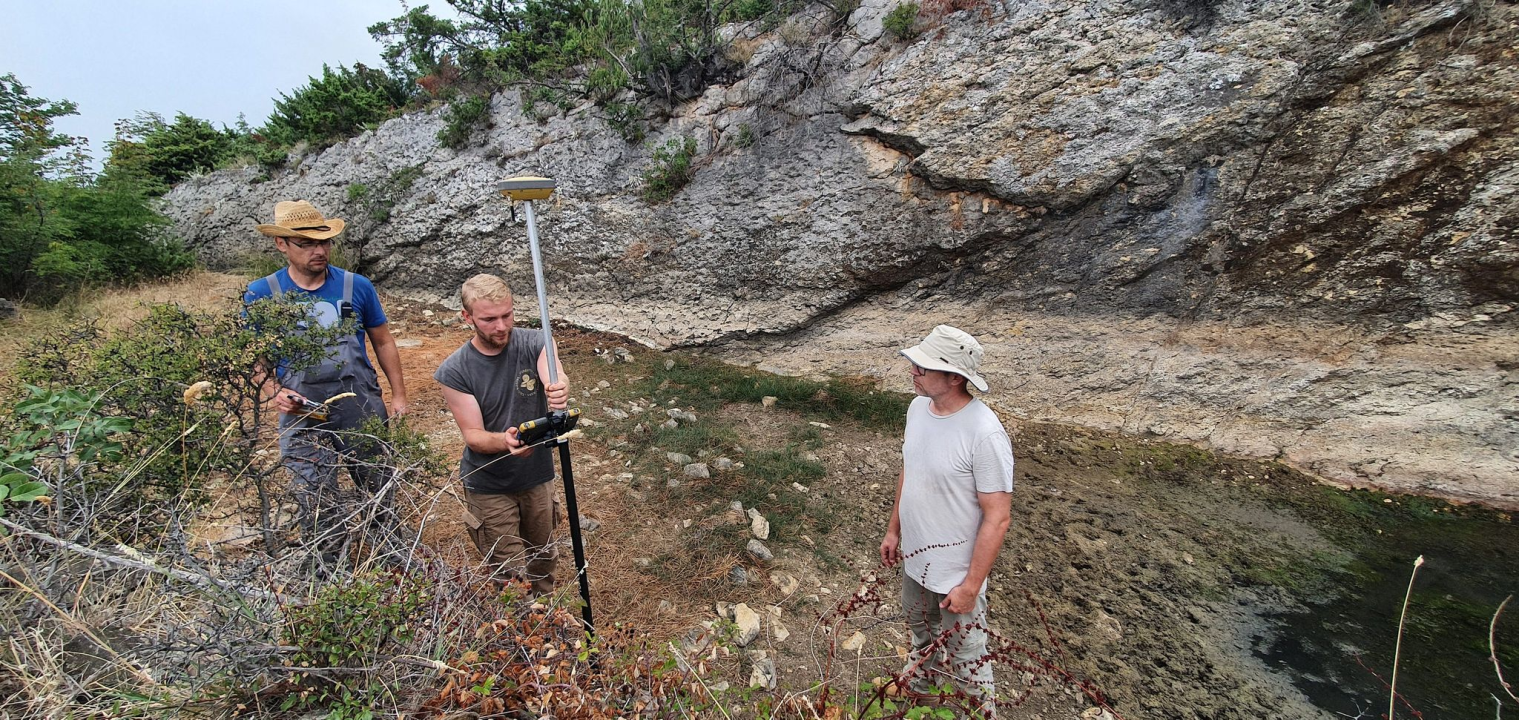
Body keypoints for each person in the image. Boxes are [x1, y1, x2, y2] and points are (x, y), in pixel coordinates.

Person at [245, 200, 409, 547]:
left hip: (359, 403)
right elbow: (253, 359)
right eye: (306, 244)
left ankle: (390, 557)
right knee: (315, 495)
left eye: (324, 242)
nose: (318, 251)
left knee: (377, 485)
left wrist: (399, 395)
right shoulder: (262, 294)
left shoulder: (356, 286)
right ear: (281, 244)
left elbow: (383, 341)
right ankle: (327, 565)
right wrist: (274, 392)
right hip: (302, 410)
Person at [880, 325, 1014, 714]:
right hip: (916, 561)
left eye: (923, 367)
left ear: (955, 377)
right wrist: (893, 530)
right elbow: (910, 469)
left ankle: (980, 713)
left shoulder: (984, 434)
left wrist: (970, 587)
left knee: (968, 660)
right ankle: (920, 690)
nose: (913, 371)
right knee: (922, 634)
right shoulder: (917, 410)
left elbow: (998, 518)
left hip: (956, 576)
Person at [434, 273, 569, 596]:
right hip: (489, 485)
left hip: (536, 476)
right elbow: (473, 435)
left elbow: (552, 371)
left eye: (507, 315)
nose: (501, 326)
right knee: (509, 573)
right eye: (489, 319)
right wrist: (504, 442)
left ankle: (546, 616)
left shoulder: (536, 341)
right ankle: (520, 623)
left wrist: (558, 387)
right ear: (467, 317)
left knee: (543, 556)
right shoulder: (454, 370)